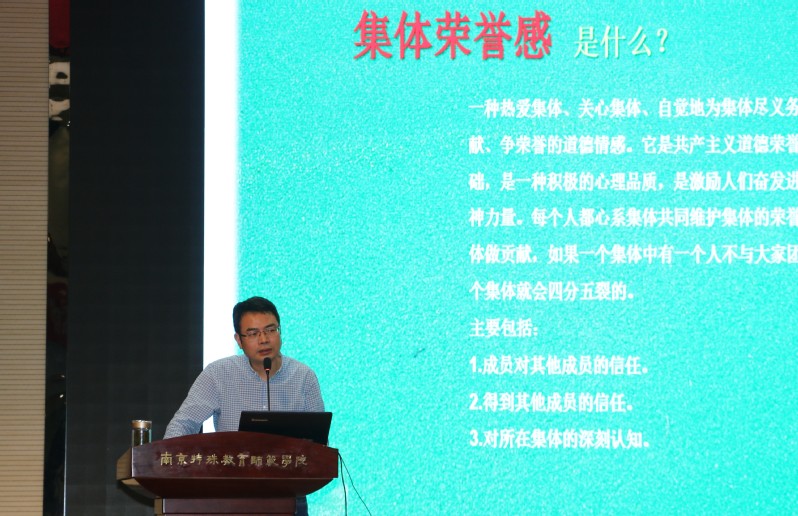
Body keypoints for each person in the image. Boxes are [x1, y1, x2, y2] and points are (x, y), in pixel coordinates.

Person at [164, 296, 324, 516]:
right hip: (231, 494)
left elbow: (318, 443)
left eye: (270, 330)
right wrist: (171, 464)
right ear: (239, 340)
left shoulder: (304, 377)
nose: (264, 339)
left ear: (280, 332)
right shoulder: (218, 374)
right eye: (253, 333)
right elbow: (183, 424)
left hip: (288, 495)